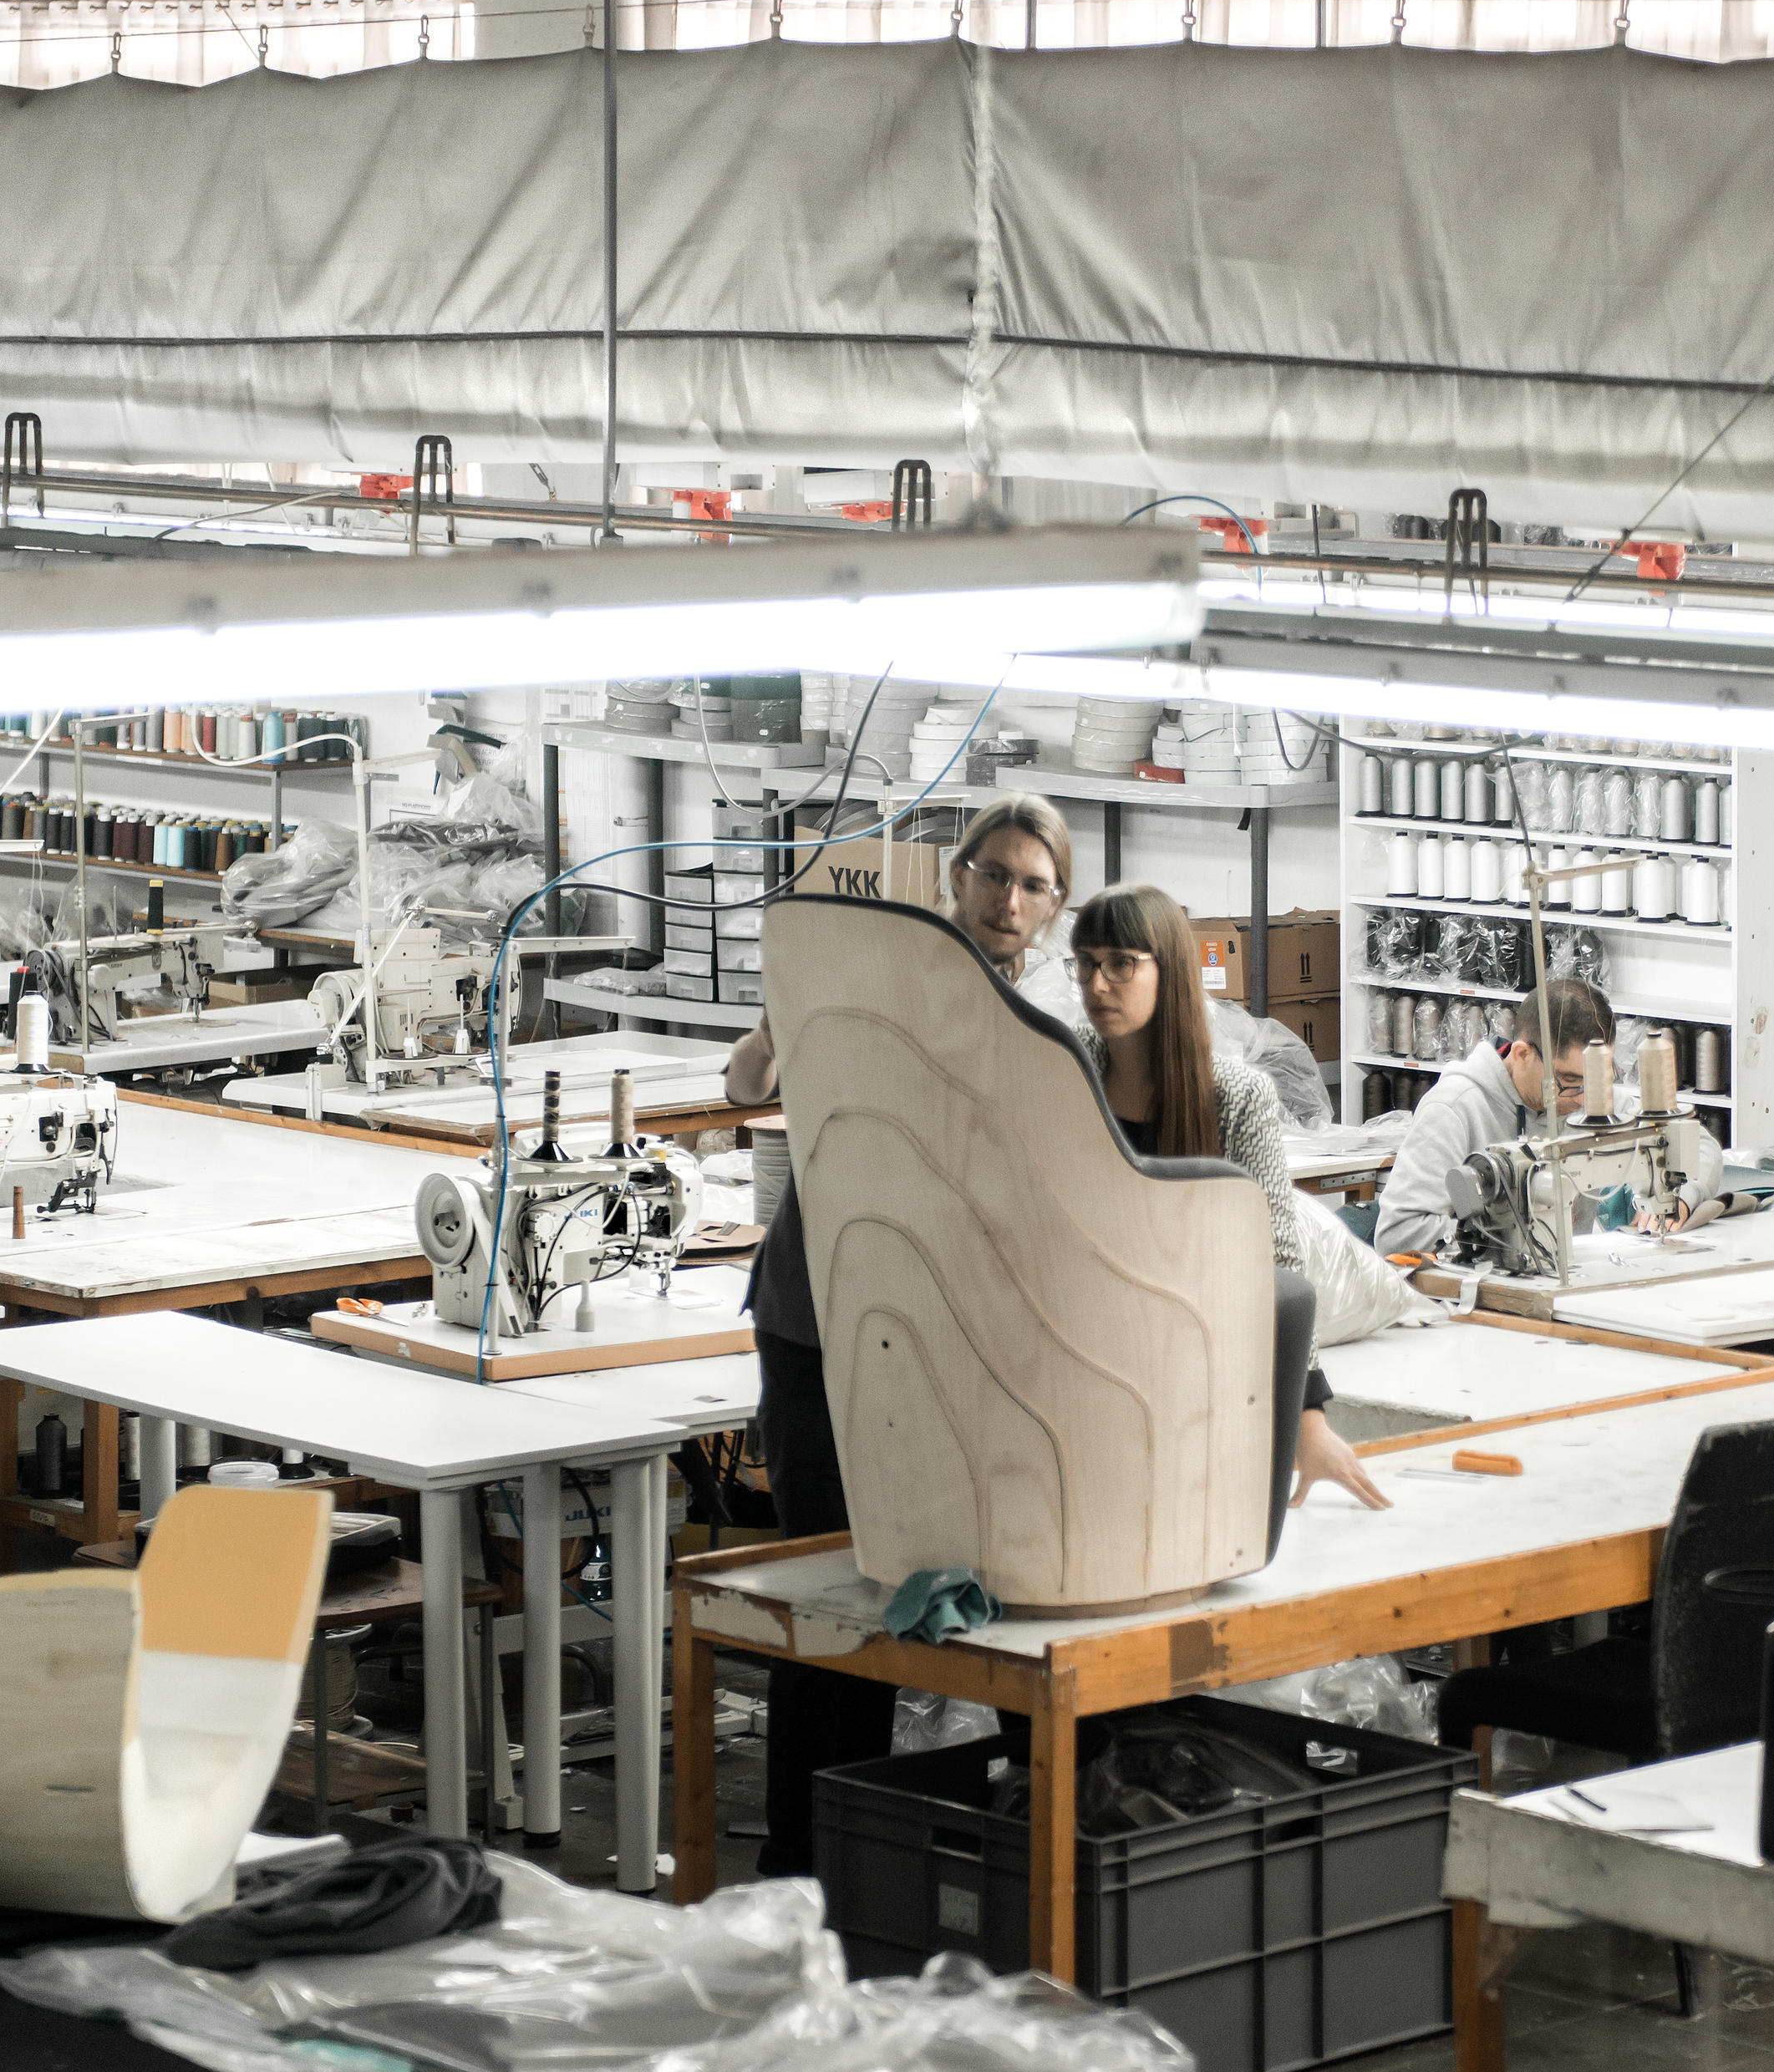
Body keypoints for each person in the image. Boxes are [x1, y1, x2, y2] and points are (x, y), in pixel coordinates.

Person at [724, 791, 1075, 1875]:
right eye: (992, 873)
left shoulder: (1037, 1030)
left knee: (932, 1587)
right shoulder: (871, 971)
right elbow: (745, 1084)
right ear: (954, 877)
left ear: (1053, 907)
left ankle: (886, 1848)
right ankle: (803, 1861)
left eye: (1032, 885)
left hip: (936, 1332)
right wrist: (784, 1019)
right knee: (829, 1589)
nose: (1006, 899)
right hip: (819, 1317)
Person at [1064, 882, 1390, 1514]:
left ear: (1168, 970)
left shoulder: (1235, 1098)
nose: (1097, 985)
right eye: (1086, 964)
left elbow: (1277, 1264)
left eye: (1121, 964)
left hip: (1195, 1367)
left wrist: (1308, 1420)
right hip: (1086, 1356)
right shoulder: (1063, 1071)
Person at [1373, 980, 1722, 1260]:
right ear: (1522, 1054)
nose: (1583, 1100)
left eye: (1595, 1081)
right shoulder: (1453, 1110)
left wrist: (1683, 1196)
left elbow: (1700, 1144)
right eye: (1568, 1082)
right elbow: (1397, 1234)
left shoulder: (1592, 1100)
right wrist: (1502, 1236)